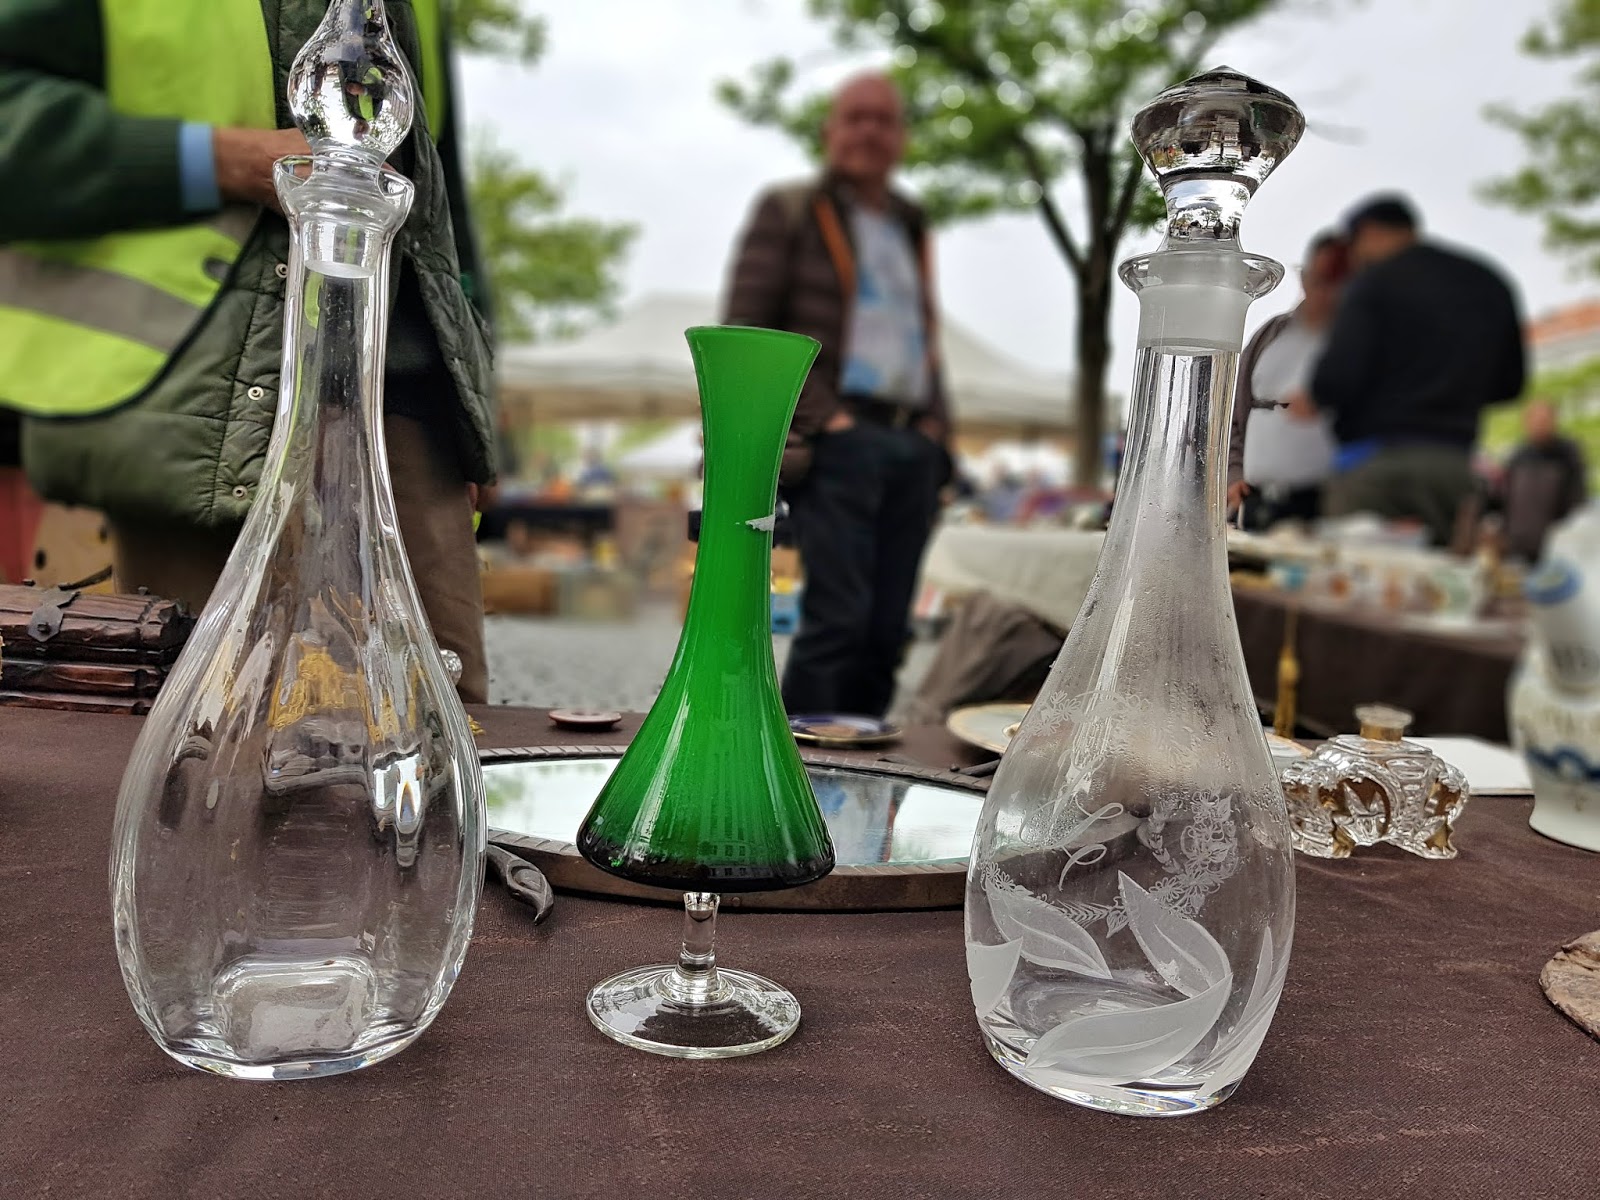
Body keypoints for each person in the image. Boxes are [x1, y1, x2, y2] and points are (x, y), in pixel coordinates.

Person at [0, 0, 495, 701]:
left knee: (438, 721)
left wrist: (473, 401)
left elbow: (442, 202)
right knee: (210, 721)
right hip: (185, 404)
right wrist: (223, 161)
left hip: (407, 413)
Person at [722, 71, 951, 718]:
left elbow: (921, 334)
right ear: (829, 131)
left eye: (884, 119)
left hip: (911, 438)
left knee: (888, 631)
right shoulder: (793, 210)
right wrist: (831, 421)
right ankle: (803, 765)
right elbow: (750, 330)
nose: (869, 131)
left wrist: (938, 431)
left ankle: (864, 766)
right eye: (856, 117)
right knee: (838, 621)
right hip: (839, 438)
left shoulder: (909, 223)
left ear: (902, 136)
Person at [1298, 194, 1526, 546]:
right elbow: (1510, 384)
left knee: (1356, 571)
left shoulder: (1373, 284)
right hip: (1453, 465)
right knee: (1439, 577)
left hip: (1374, 465)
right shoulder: (1489, 282)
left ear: (1369, 233)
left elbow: (1338, 377)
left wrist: (1313, 396)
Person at [1226, 233, 1348, 530]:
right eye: (1321, 280)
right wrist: (1233, 474)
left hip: (1332, 504)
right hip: (1257, 498)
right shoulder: (1272, 334)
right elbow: (1234, 416)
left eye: (1339, 281)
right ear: (1305, 279)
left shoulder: (1360, 342)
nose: (1328, 293)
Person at [1500, 399, 1589, 562]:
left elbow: (1577, 500)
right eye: (1535, 420)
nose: (1539, 425)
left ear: (1554, 421)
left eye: (1544, 419)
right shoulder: (1518, 456)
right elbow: (1506, 498)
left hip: (1556, 544)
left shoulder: (1568, 454)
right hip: (1517, 544)